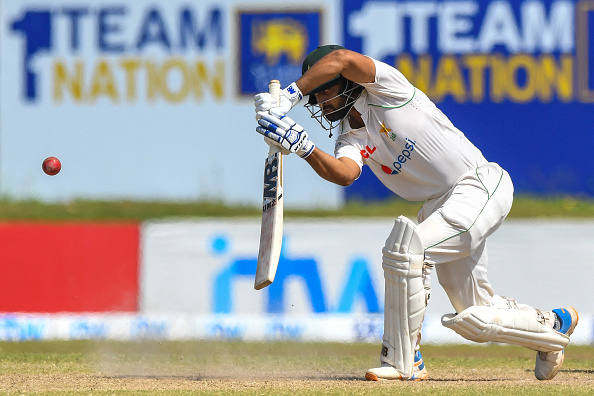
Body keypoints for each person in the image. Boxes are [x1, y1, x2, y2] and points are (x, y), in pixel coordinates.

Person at [253, 44, 578, 381]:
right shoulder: (350, 135)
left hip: (478, 183)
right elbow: (345, 174)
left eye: (326, 91)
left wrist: (290, 94)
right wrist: (304, 147)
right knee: (475, 317)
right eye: (315, 99)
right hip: (441, 205)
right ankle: (552, 327)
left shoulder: (387, 88)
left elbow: (343, 59)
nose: (321, 103)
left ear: (347, 82)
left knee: (407, 248)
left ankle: (403, 361)